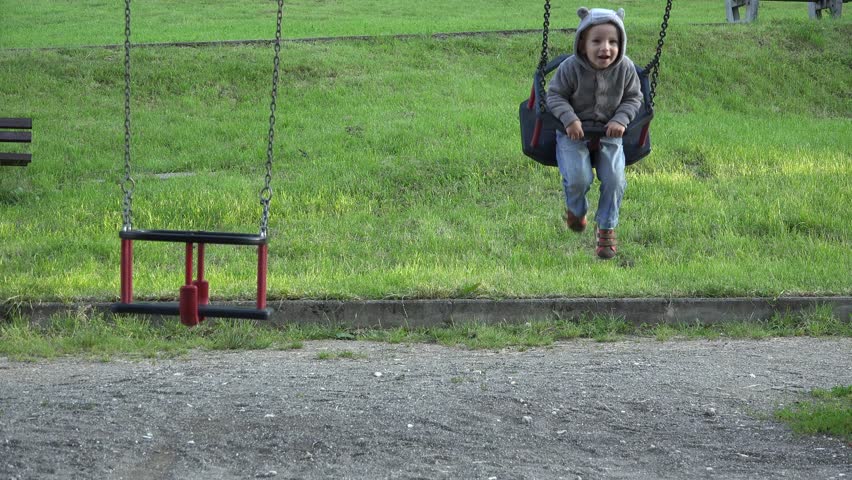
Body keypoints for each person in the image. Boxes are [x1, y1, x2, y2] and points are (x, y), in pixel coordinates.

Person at [546, 7, 642, 259]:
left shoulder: (626, 68)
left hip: (610, 132)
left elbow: (634, 98)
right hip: (573, 132)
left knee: (614, 179)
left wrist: (621, 119)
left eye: (613, 42)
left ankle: (607, 227)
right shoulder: (570, 68)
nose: (605, 48)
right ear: (582, 44)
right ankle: (576, 210)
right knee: (579, 179)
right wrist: (569, 119)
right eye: (596, 41)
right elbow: (554, 95)